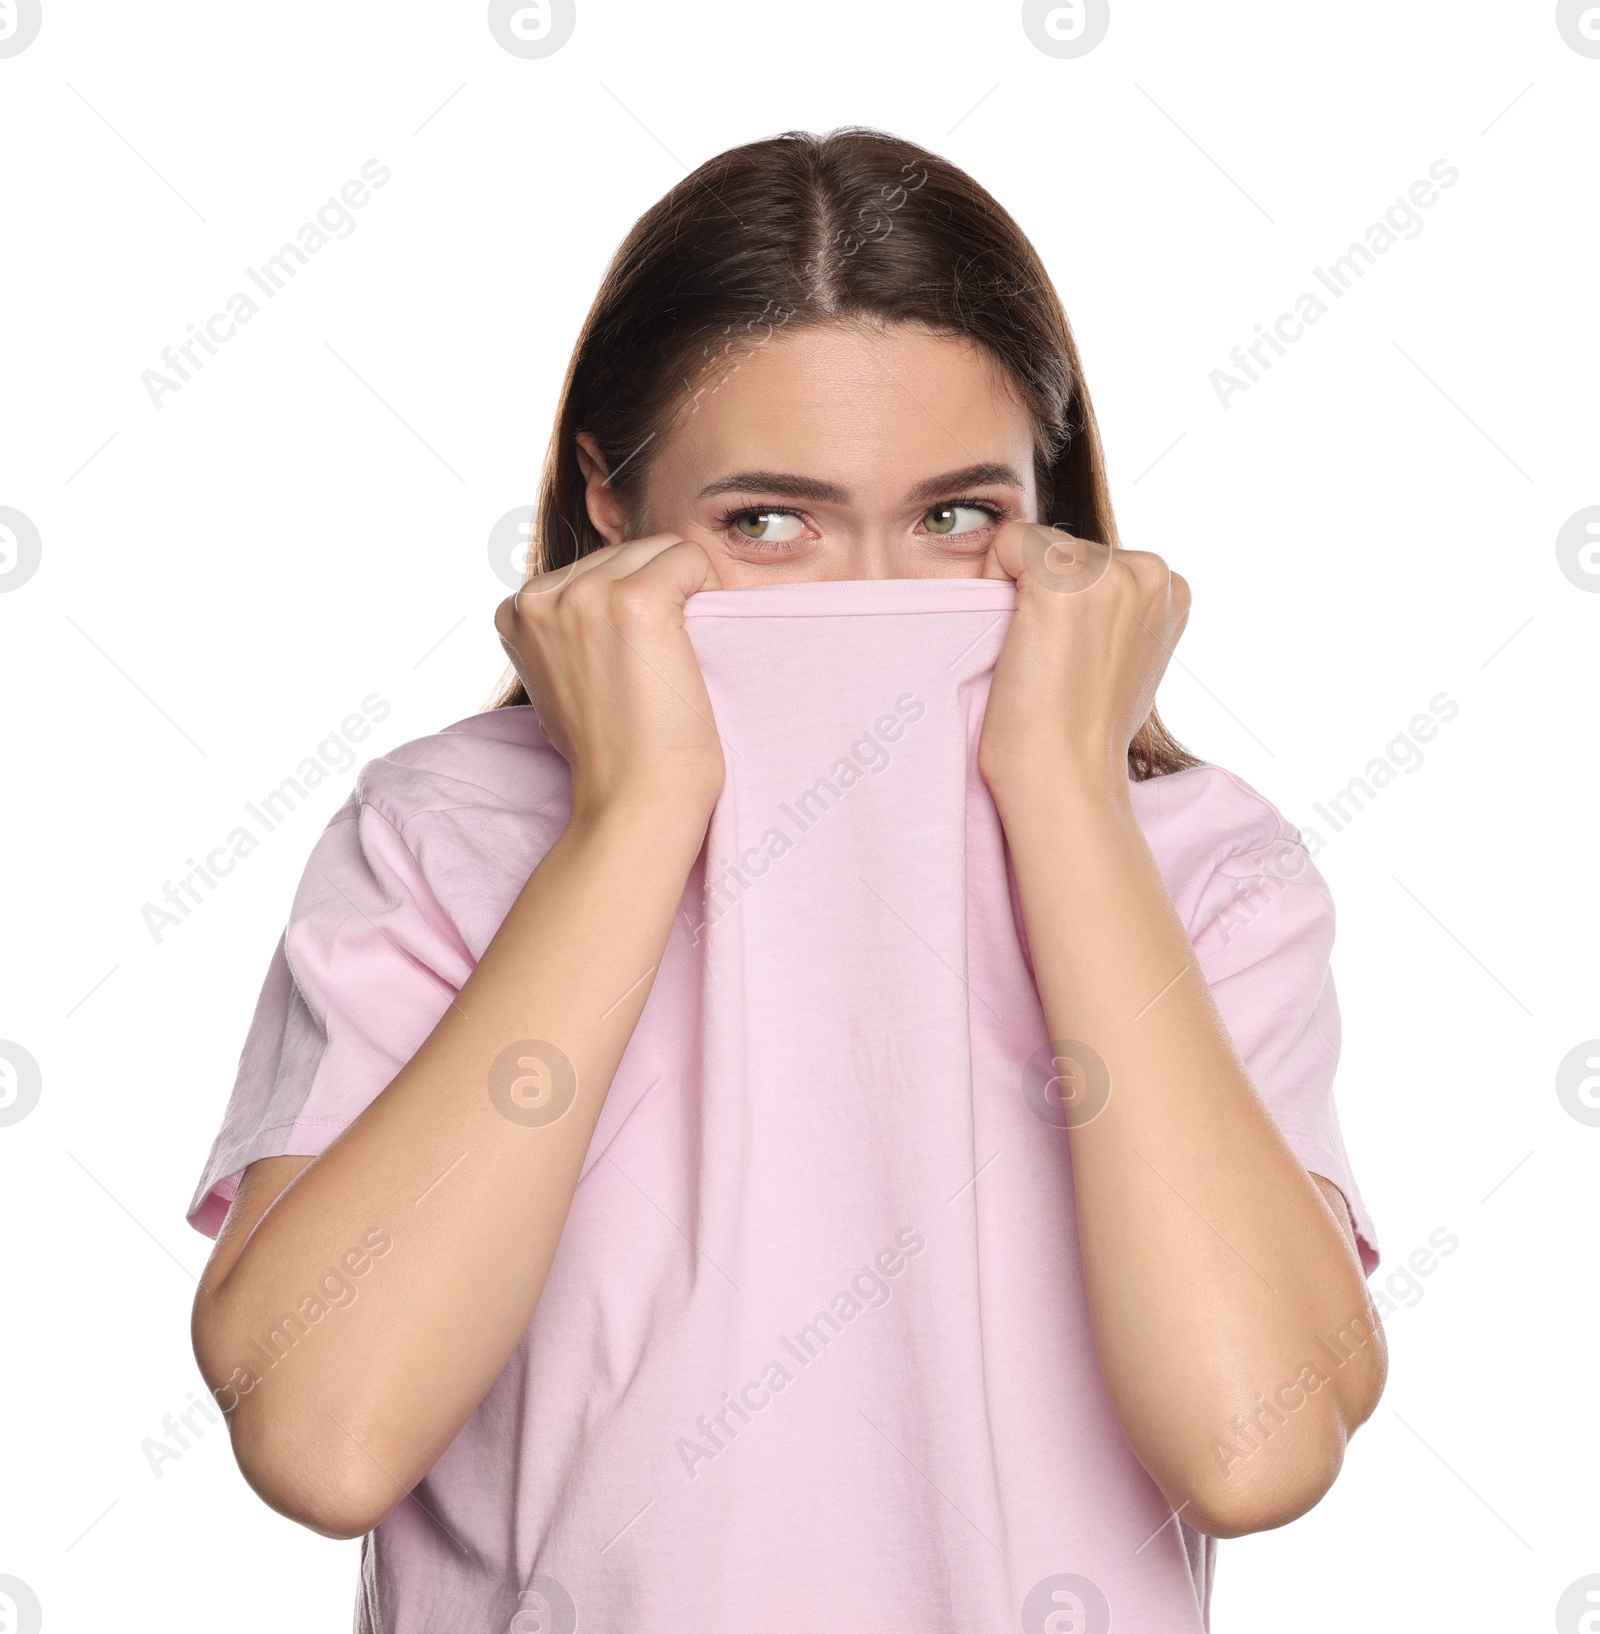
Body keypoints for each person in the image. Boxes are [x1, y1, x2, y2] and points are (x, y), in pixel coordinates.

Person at [187, 127, 1384, 1633]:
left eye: (956, 517)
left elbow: (1256, 1443)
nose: (868, 599)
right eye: (768, 521)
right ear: (608, 507)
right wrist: (635, 816)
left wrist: (1064, 800)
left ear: (1053, 520)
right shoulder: (440, 837)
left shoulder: (1202, 868)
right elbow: (324, 1435)